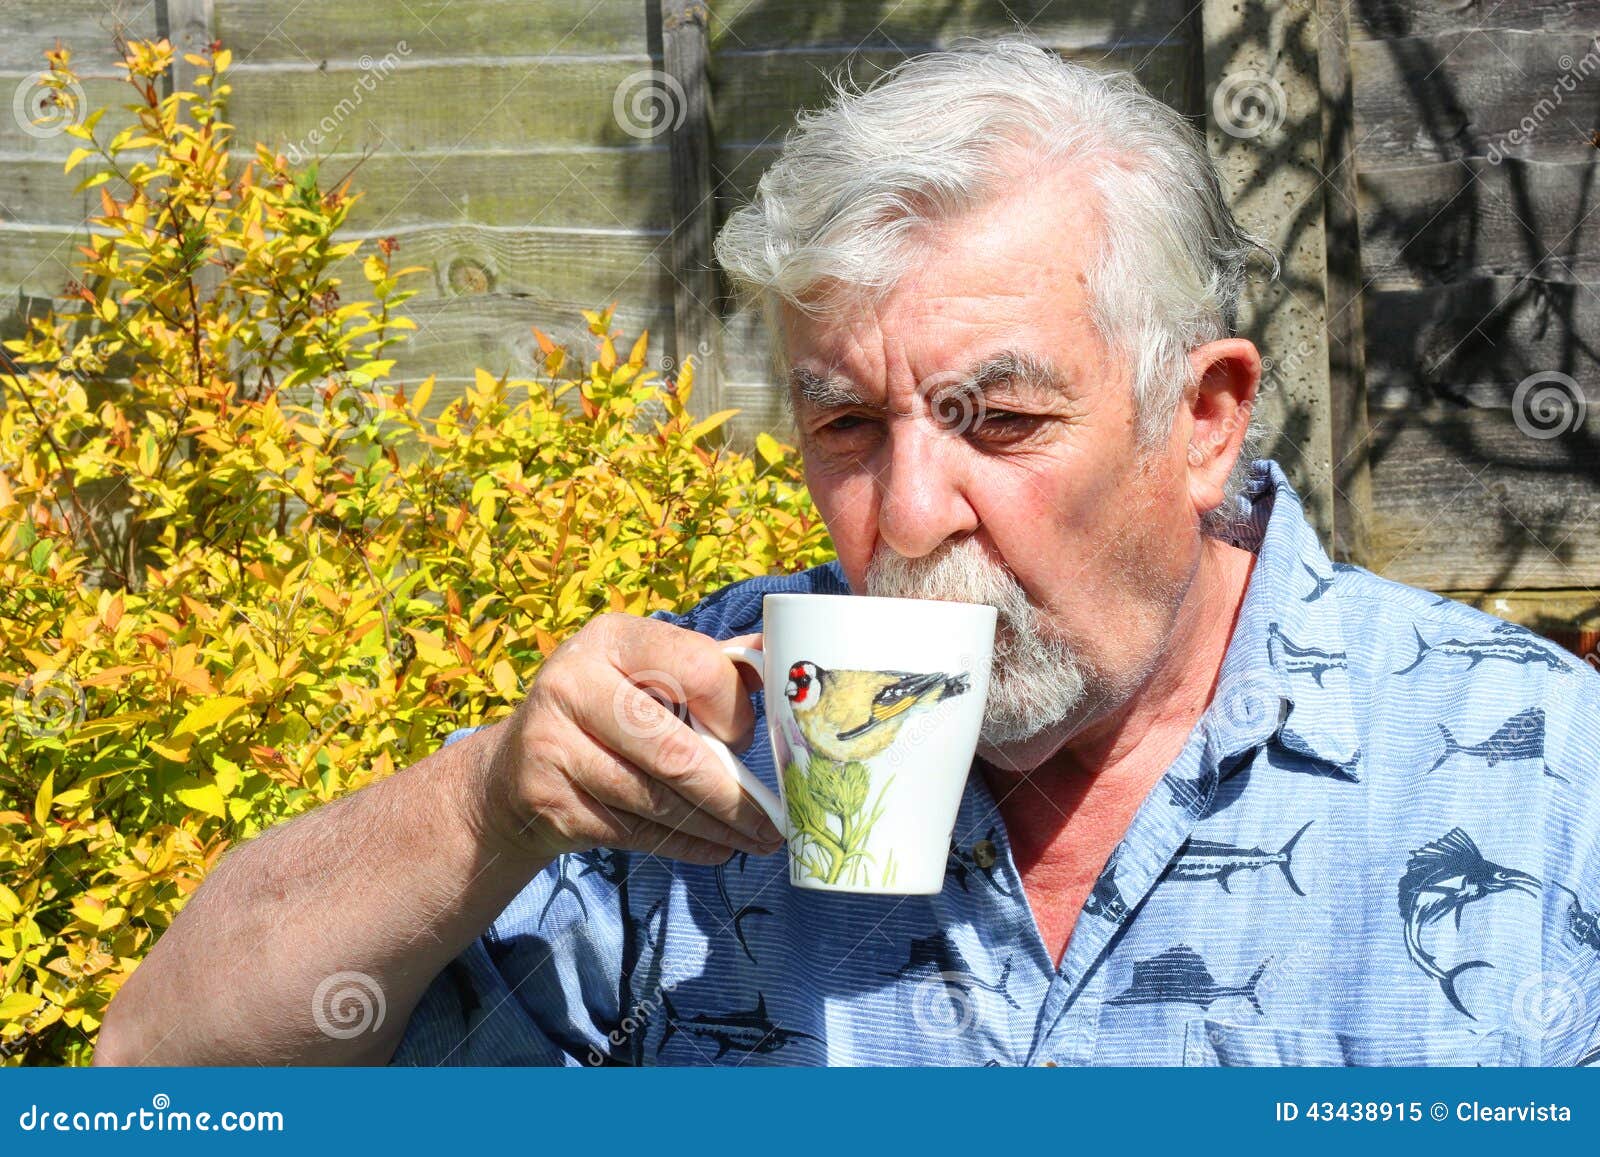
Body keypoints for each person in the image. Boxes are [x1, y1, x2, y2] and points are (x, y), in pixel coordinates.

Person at [95, 40, 1599, 1067]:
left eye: (997, 420)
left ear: (1202, 419)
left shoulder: (1528, 777)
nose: (906, 513)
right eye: (845, 428)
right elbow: (148, 1087)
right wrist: (482, 803)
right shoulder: (690, 749)